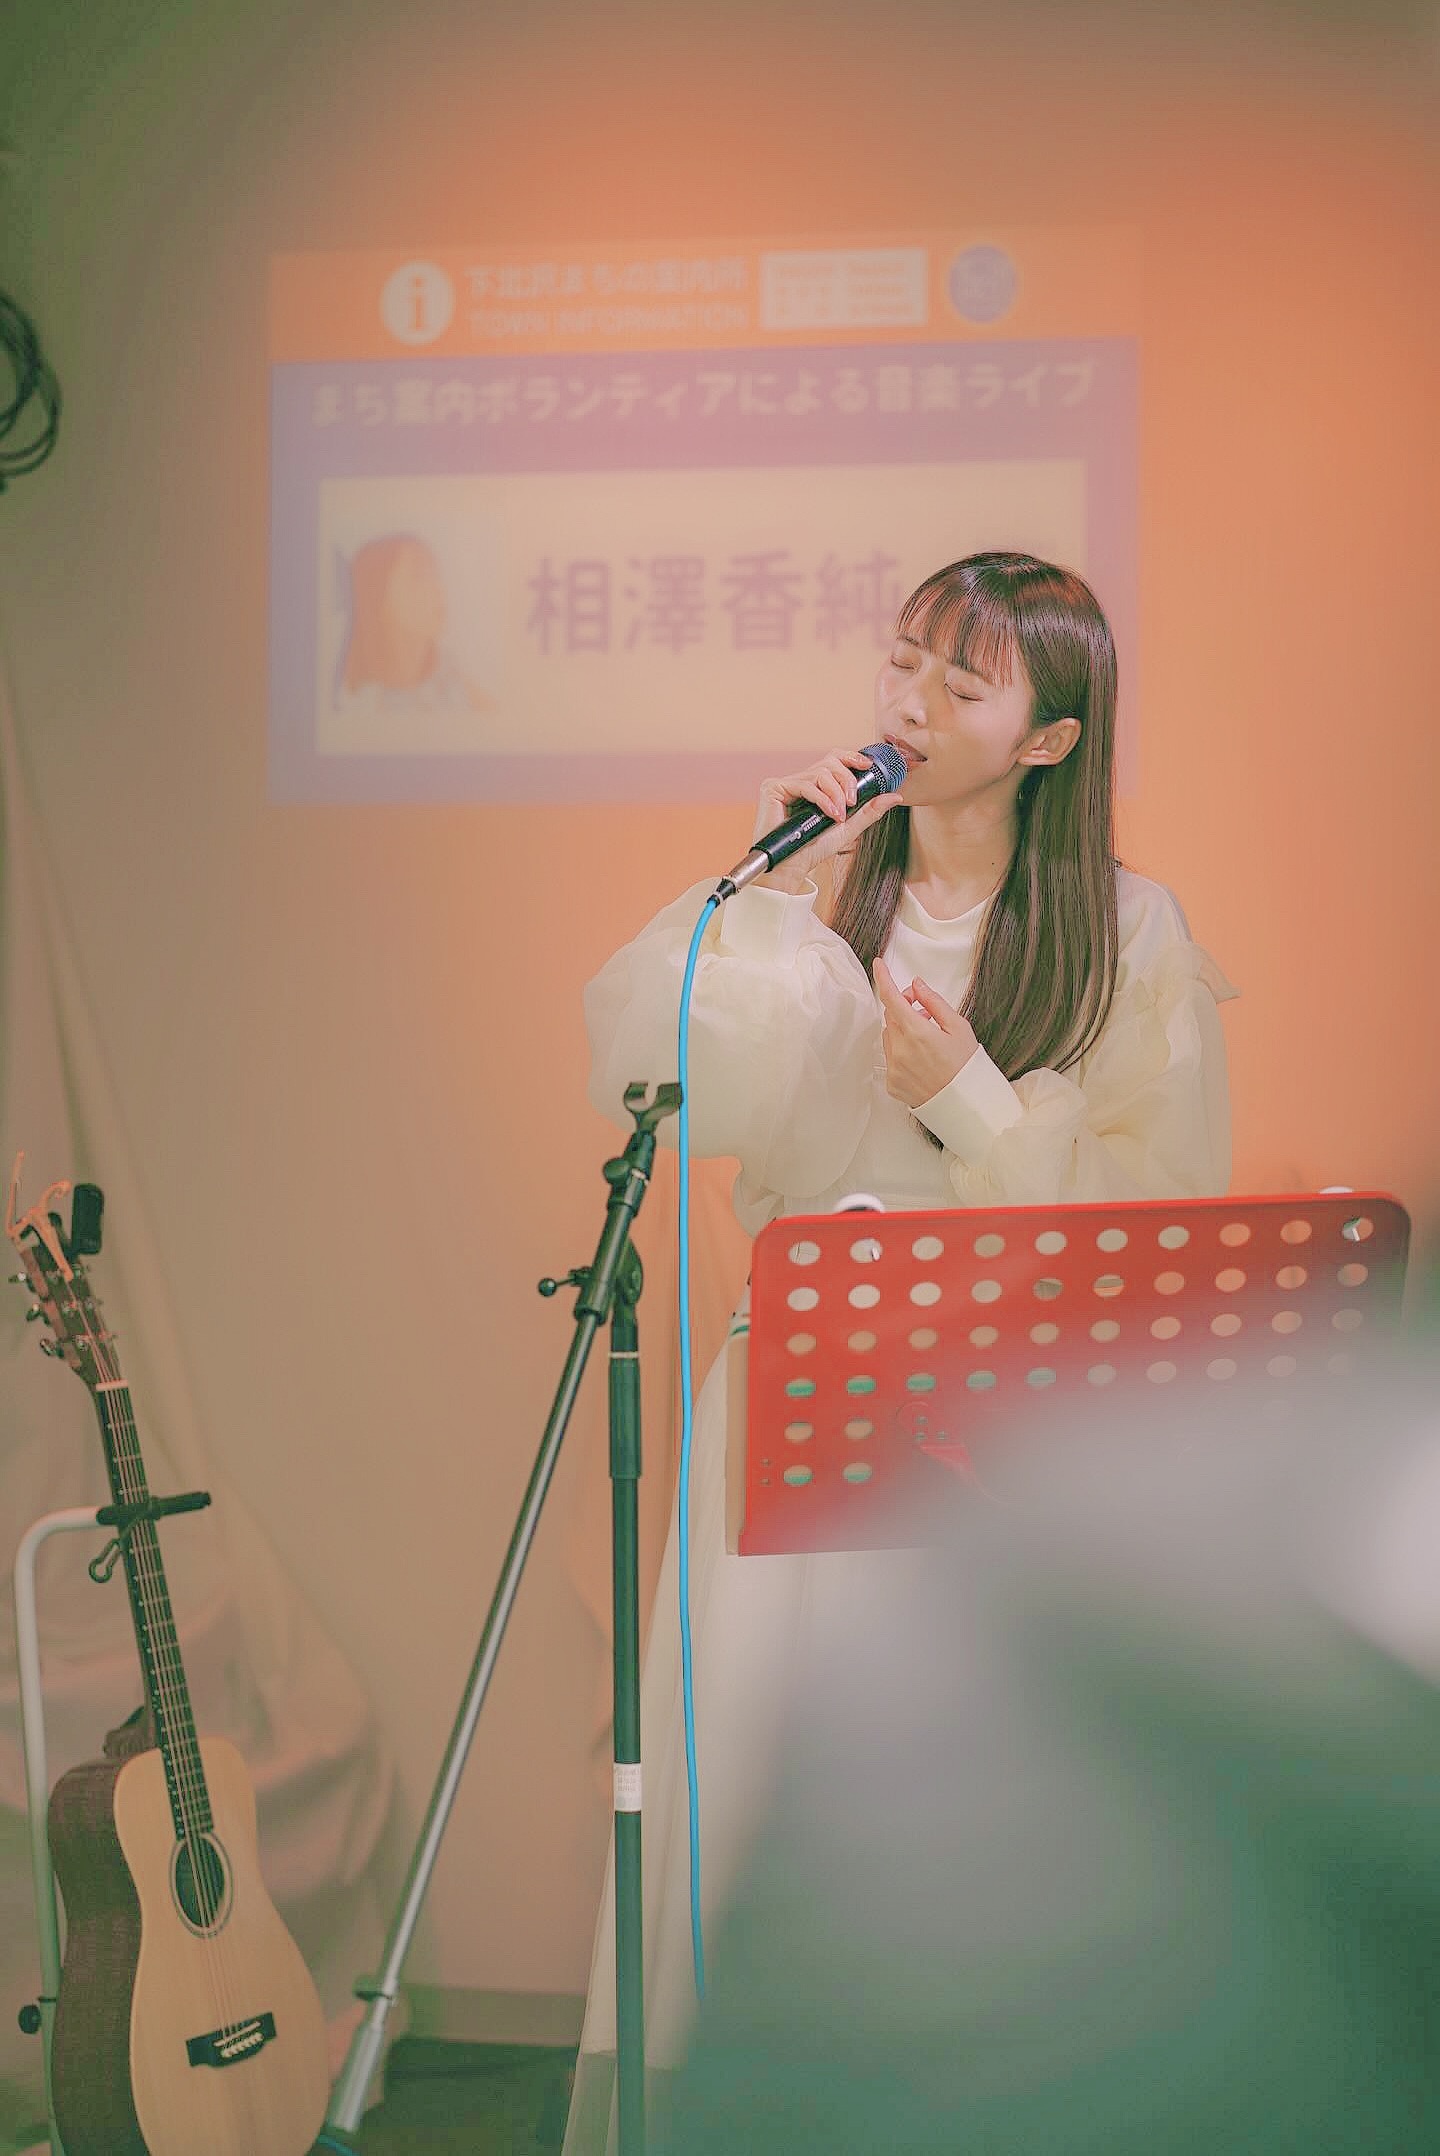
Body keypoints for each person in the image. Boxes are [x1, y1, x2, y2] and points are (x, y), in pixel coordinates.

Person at [562, 551, 1238, 2154]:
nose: (911, 704)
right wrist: (762, 891)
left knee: (970, 1814)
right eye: (902, 663)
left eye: (962, 680)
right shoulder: (818, 907)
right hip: (803, 1389)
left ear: (1050, 738)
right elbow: (660, 1085)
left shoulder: (1127, 931)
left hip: (1003, 1434)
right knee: (767, 1777)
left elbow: (1151, 1219)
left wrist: (969, 1101)